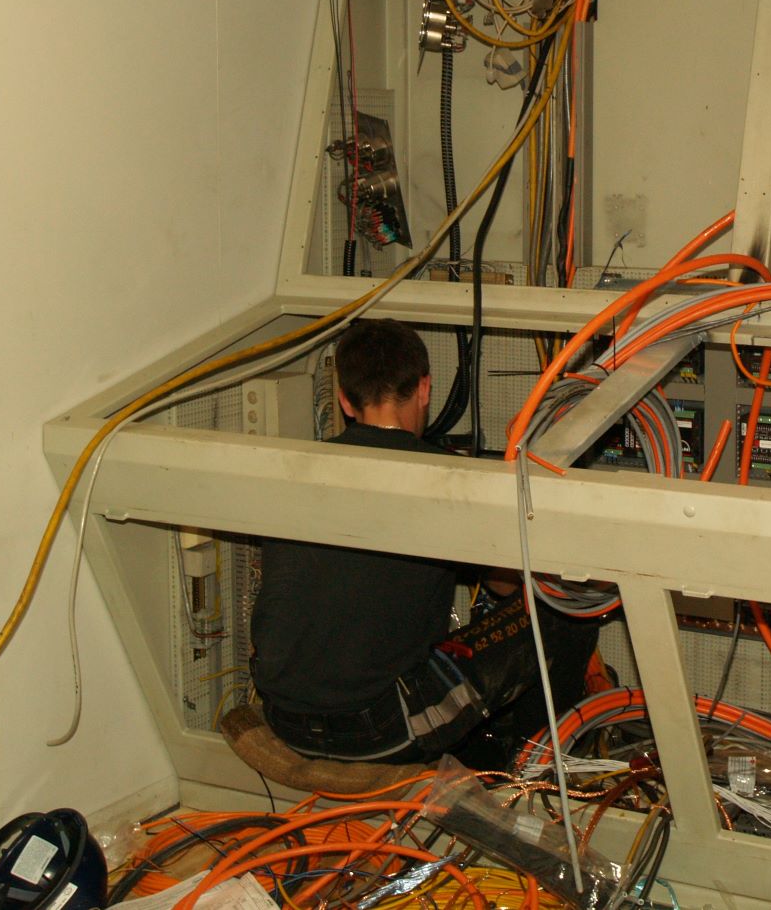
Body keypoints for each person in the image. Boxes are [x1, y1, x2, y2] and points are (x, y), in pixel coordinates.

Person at [251, 318, 596, 767]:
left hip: (284, 719)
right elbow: (509, 588)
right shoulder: (446, 479)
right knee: (564, 616)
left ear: (345, 402)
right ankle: (528, 778)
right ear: (425, 388)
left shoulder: (297, 468)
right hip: (378, 731)